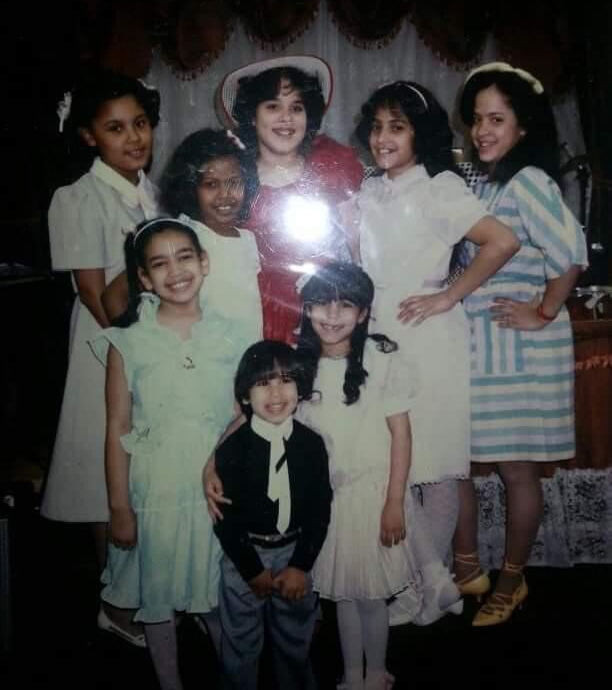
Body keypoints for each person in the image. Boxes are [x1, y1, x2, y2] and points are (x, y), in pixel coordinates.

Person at [346, 81, 519, 581]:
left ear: (419, 134)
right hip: (380, 335)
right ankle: (421, 582)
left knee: (434, 462)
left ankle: (431, 587)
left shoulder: (439, 187)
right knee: (394, 462)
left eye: (397, 128)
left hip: (428, 336)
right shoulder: (371, 189)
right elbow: (365, 263)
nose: (383, 138)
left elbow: (501, 242)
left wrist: (447, 296)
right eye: (377, 127)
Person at [452, 62, 588, 626]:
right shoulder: (487, 181)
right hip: (483, 348)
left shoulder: (529, 180)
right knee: (458, 464)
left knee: (516, 473)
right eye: (477, 119)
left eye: (496, 120)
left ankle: (511, 580)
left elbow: (570, 253)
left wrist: (545, 311)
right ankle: (467, 566)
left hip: (520, 351)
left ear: (523, 126)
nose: (482, 130)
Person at [296, 262, 463, 690]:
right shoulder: (300, 365)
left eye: (345, 306)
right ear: (307, 308)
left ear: (364, 313)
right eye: (321, 304)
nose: (332, 316)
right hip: (330, 502)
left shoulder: (381, 359)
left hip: (373, 496)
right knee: (343, 596)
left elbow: (401, 436)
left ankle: (377, 672)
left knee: (372, 598)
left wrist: (394, 502)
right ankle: (353, 675)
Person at [91, 217, 238, 689]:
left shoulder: (232, 334)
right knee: (158, 596)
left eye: (185, 257)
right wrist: (120, 508)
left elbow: (243, 414)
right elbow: (117, 427)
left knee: (217, 596)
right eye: (159, 263)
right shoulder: (127, 342)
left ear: (204, 262)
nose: (175, 271)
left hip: (216, 490)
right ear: (144, 278)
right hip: (156, 488)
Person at [41, 67, 160, 644]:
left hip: (151, 340)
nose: (133, 137)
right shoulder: (77, 197)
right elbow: (93, 294)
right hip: (107, 346)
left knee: (140, 469)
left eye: (139, 123)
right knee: (102, 470)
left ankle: (143, 589)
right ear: (89, 135)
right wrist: (138, 358)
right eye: (115, 128)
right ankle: (114, 603)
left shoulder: (149, 190)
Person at [216, 55, 364, 345]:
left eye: (296, 108)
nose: (286, 118)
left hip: (324, 314)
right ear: (252, 115)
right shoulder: (233, 180)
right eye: (273, 106)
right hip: (252, 315)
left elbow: (358, 250)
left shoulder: (331, 169)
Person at [213, 340, 332, 690]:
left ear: (300, 387)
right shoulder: (234, 448)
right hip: (244, 557)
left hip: (295, 554)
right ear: (245, 395)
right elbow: (225, 518)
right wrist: (251, 570)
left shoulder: (311, 444)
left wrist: (300, 565)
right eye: (263, 383)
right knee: (241, 645)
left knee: (296, 642)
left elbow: (320, 509)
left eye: (286, 380)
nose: (276, 393)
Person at [159, 127, 263, 354]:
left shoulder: (247, 239)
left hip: (245, 358)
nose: (225, 195)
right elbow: (117, 294)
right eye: (211, 184)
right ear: (190, 187)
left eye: (234, 183)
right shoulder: (182, 235)